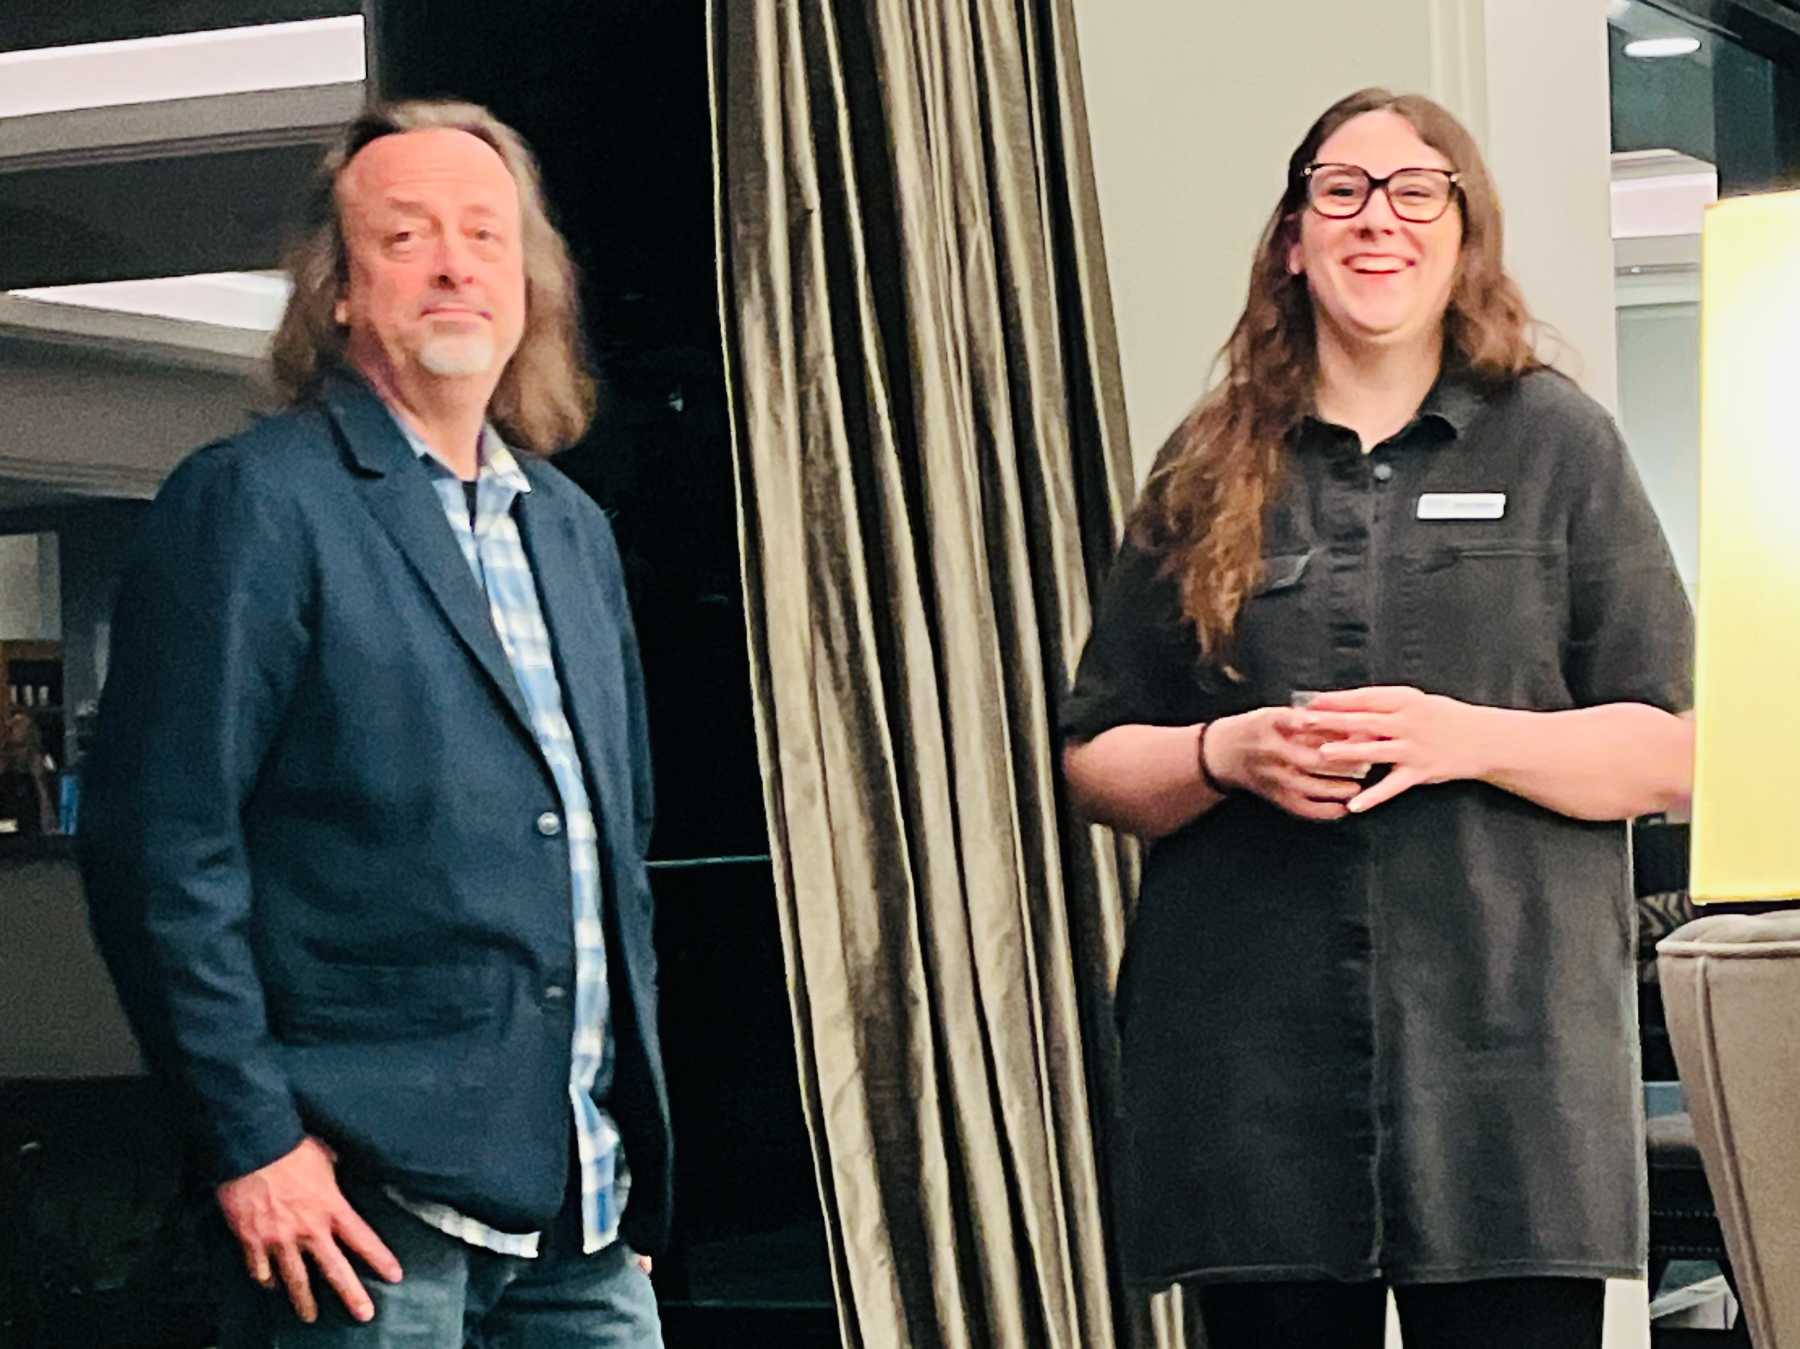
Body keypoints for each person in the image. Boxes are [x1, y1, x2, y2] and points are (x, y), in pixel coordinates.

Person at [1061, 88, 1693, 1348]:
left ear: (1464, 236)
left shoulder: (1560, 445)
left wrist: (1469, 737)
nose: (1377, 219)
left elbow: (1669, 753)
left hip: (1507, 1084)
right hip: (1254, 1082)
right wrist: (1222, 752)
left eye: (1416, 192)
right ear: (1294, 239)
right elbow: (1095, 756)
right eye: (1341, 191)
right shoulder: (1205, 465)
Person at [80, 100, 668, 1348]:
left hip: (578, 1207)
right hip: (355, 1210)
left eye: (485, 235)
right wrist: (251, 1142)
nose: (454, 264)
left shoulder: (568, 529)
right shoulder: (252, 504)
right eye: (406, 236)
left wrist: (620, 1147)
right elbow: (159, 851)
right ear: (340, 294)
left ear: (529, 286)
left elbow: (607, 862)